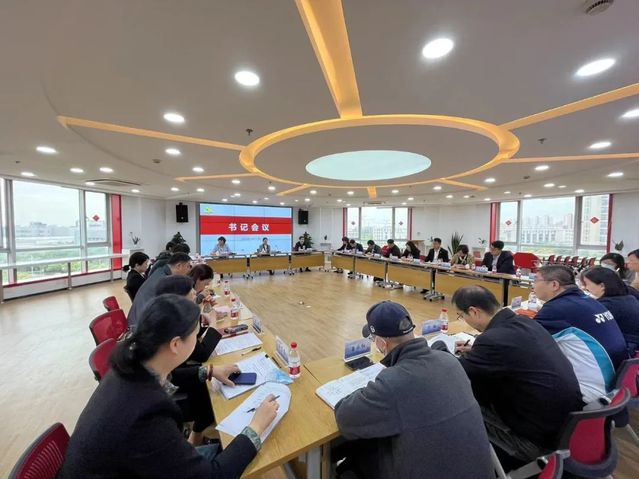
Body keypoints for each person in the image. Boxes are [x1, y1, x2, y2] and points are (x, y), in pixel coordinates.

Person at [59, 295, 279, 478]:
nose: (198, 339)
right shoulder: (147, 415)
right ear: (175, 344)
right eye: (195, 334)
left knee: (226, 447)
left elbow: (172, 375)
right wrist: (256, 426)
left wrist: (210, 371)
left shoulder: (130, 365)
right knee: (240, 454)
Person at [333, 301, 493, 479]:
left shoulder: (392, 383)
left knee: (358, 452)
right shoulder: (450, 361)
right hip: (480, 471)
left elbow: (344, 417)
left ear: (380, 343)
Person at [433, 286, 583, 469]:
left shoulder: (492, 340)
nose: (463, 319)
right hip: (567, 429)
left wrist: (440, 350)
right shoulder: (526, 323)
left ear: (473, 311)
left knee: (454, 400)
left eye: (461, 315)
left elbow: (455, 374)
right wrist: (478, 353)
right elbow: (514, 355)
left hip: (535, 443)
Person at [533, 265, 627, 369]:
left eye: (536, 280)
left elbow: (527, 340)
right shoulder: (588, 301)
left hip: (596, 376)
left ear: (554, 284)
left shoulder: (557, 308)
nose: (533, 285)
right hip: (618, 370)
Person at [127, 252, 192, 331]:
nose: (189, 270)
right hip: (142, 326)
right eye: (188, 266)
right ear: (179, 266)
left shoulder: (160, 271)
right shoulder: (165, 280)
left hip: (140, 318)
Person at [583, 266, 639, 356]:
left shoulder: (607, 306)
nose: (585, 288)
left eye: (586, 284)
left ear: (602, 286)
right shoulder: (628, 298)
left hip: (629, 351)